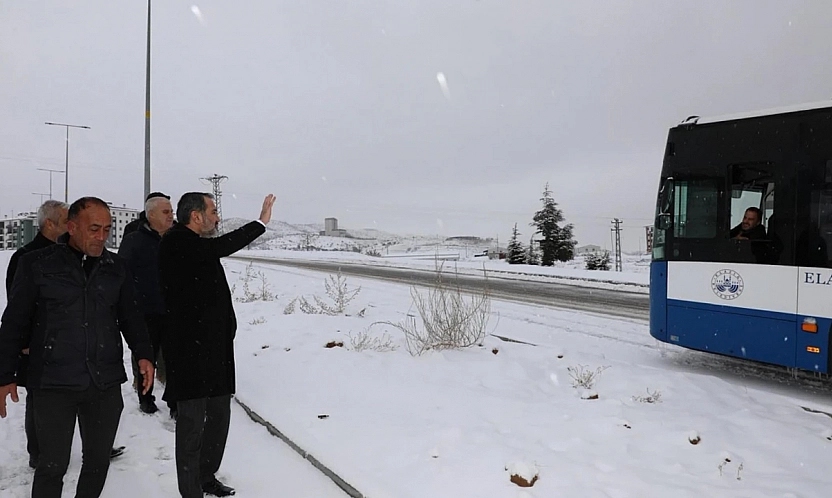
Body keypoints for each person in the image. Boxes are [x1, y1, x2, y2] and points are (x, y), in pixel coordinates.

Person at [0, 197, 155, 498]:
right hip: (53, 384)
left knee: (97, 462)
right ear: (71, 227)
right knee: (52, 466)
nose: (101, 237)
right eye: (93, 229)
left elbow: (131, 317)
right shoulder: (37, 264)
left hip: (104, 382)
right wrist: (5, 373)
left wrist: (145, 354)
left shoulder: (116, 267)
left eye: (107, 229)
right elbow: (14, 321)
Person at [160, 192, 274, 498]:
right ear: (196, 216)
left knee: (219, 417)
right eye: (213, 211)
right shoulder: (177, 241)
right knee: (192, 425)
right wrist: (259, 223)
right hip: (188, 353)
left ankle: (206, 477)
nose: (217, 217)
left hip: (214, 350)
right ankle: (191, 489)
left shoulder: (195, 245)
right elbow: (220, 246)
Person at [119, 192, 175, 414]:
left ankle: (175, 401)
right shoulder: (134, 239)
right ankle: (145, 397)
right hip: (145, 311)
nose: (171, 216)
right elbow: (122, 272)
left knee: (174, 358)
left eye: (171, 211)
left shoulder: (177, 237)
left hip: (174, 311)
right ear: (150, 215)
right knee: (145, 356)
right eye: (166, 212)